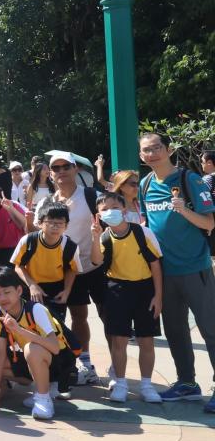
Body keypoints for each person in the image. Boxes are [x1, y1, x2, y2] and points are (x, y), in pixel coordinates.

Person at [137, 133, 215, 409]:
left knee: (210, 328)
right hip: (163, 273)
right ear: (141, 156)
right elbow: (148, 225)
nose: (152, 153)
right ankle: (187, 383)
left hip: (195, 268)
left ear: (168, 150)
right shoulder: (145, 184)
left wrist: (184, 211)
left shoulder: (189, 180)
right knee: (175, 330)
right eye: (146, 150)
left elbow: (209, 224)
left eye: (157, 148)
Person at [90, 190, 164, 404]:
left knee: (146, 340)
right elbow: (96, 261)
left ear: (124, 209)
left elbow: (156, 266)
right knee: (119, 340)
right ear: (98, 215)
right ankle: (121, 383)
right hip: (117, 290)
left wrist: (158, 296)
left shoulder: (142, 232)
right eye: (105, 209)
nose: (110, 212)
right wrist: (95, 236)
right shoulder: (104, 237)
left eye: (115, 207)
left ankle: (147, 385)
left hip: (145, 289)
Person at [0, 266, 77, 420]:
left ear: (19, 291)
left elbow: (54, 348)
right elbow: (0, 353)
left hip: (59, 364)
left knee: (32, 349)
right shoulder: (0, 314)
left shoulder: (36, 309)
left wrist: (19, 330)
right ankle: (40, 387)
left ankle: (44, 398)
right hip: (33, 359)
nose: (2, 298)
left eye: (7, 292)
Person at [45, 150, 105, 386]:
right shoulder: (47, 203)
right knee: (71, 317)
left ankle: (107, 369)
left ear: (75, 169)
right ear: (50, 173)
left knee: (103, 317)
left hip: (94, 267)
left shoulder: (91, 196)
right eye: (56, 168)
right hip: (63, 270)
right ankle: (78, 364)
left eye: (65, 167)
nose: (61, 172)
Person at [11, 201, 80, 327]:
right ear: (40, 223)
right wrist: (32, 285)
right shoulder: (28, 241)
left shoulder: (70, 246)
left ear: (66, 226)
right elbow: (18, 266)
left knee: (55, 326)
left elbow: (72, 269)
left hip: (56, 289)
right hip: (31, 286)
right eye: (50, 222)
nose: (55, 226)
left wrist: (66, 291)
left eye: (60, 223)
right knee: (30, 325)